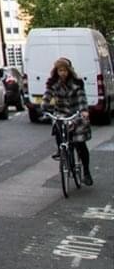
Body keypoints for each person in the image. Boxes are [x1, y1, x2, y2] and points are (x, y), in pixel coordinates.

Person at [43, 57, 93, 185]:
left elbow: (82, 98)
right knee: (58, 126)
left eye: (64, 70)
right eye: (60, 70)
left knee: (80, 144)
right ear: (56, 71)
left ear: (69, 70)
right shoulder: (53, 83)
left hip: (76, 113)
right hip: (62, 112)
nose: (62, 73)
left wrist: (83, 111)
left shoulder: (77, 82)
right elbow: (47, 95)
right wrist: (44, 106)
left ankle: (86, 173)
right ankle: (61, 150)